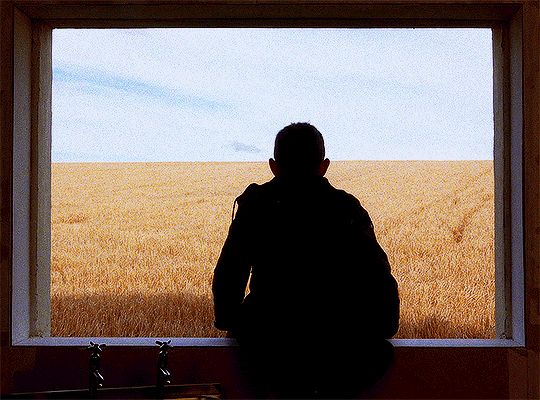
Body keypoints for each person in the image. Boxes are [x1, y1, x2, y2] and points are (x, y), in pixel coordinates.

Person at [212, 122, 400, 399]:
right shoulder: (345, 207)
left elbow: (230, 273)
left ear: (273, 166)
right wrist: (379, 330)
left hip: (269, 348)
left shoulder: (257, 205)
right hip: (338, 350)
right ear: (324, 166)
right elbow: (378, 279)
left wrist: (233, 323)